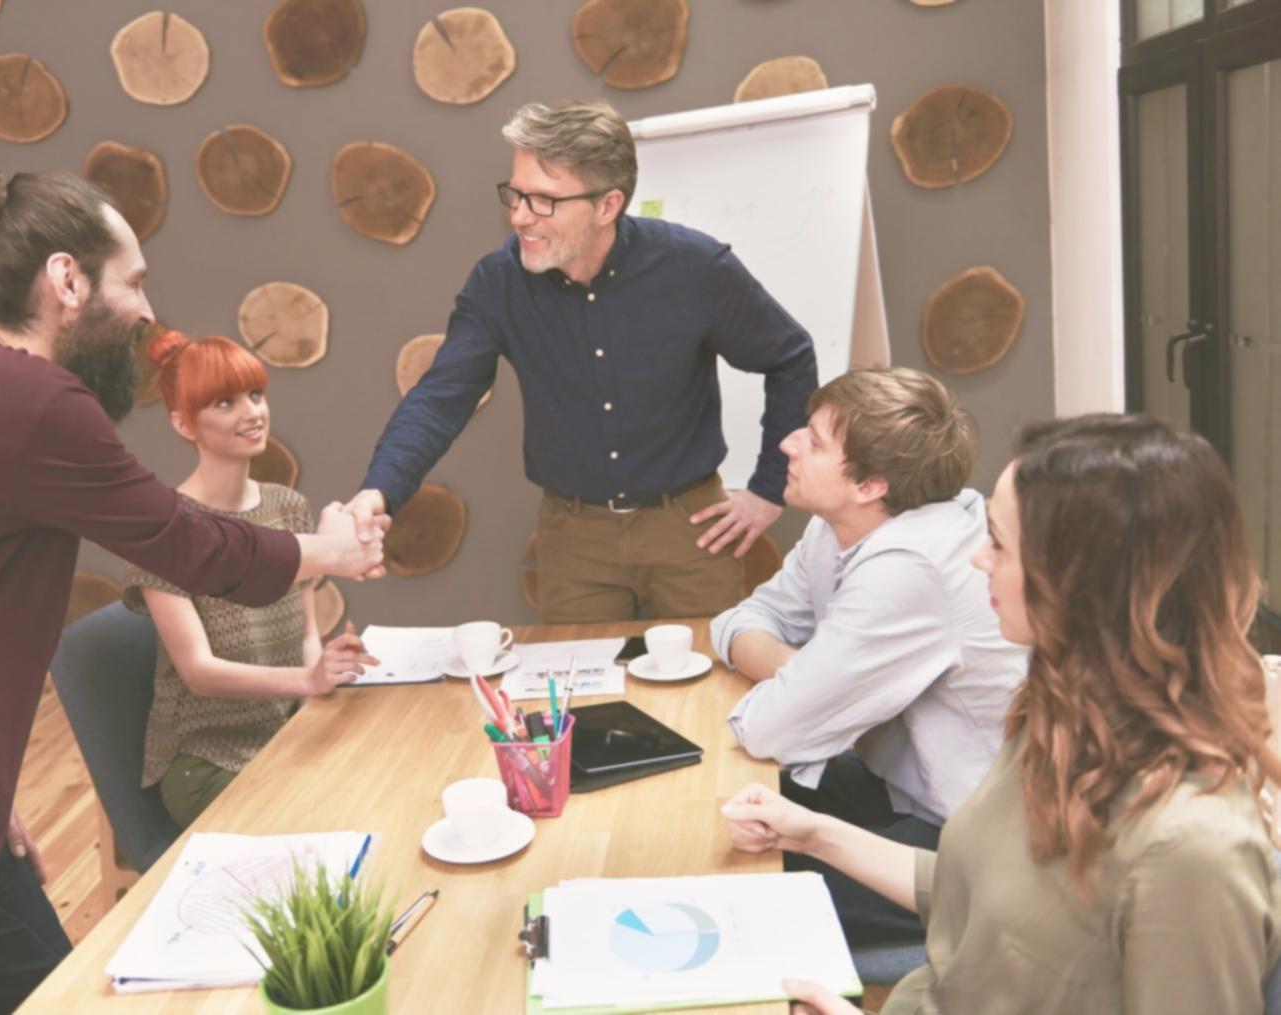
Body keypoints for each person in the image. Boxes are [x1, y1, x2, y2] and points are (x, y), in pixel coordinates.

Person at [0, 156, 385, 1014]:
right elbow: (181, 540)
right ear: (66, 281)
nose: (149, 313)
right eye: (135, 282)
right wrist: (330, 550)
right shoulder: (31, 399)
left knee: (56, 993)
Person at [723, 414, 1281, 1014]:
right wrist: (814, 835)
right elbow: (985, 897)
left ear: (1080, 582)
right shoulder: (1056, 710)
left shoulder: (1191, 848)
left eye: (998, 542)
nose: (977, 561)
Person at [346, 99, 818, 623]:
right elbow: (440, 399)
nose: (520, 215)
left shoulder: (695, 268)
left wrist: (768, 489)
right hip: (574, 540)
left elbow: (789, 356)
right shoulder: (498, 282)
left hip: (690, 530)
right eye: (516, 194)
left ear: (607, 205)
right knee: (579, 700)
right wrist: (378, 491)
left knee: (710, 693)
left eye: (544, 200)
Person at [711, 367, 1027, 948]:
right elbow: (738, 622)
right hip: (900, 787)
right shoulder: (838, 527)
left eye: (814, 439)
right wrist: (816, 677)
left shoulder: (912, 563)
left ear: (869, 485)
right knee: (719, 810)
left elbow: (768, 727)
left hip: (975, 846)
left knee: (731, 891)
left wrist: (818, 685)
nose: (788, 443)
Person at [124, 330, 377, 827]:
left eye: (256, 395)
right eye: (225, 402)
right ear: (183, 423)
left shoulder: (287, 507)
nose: (252, 413)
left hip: (288, 736)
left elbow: (306, 632)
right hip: (210, 763)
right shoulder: (165, 532)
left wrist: (318, 685)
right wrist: (308, 678)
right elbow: (198, 671)